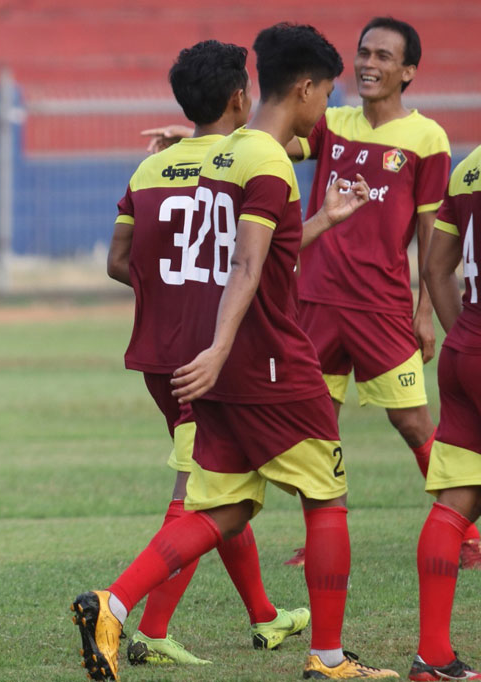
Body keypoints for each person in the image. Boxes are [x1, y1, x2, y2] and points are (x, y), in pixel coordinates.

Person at [72, 23, 397, 681]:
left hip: (192, 358)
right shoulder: (262, 159)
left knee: (221, 506)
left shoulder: (194, 160)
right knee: (326, 499)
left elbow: (173, 257)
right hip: (264, 356)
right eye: (325, 93)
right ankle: (330, 659)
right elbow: (245, 266)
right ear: (296, 88)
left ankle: (117, 603)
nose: (325, 110)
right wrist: (221, 345)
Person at [105, 39, 308, 667]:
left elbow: (118, 261)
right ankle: (149, 626)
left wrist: (166, 285)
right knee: (200, 493)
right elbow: (252, 256)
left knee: (223, 482)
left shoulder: (148, 169)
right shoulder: (246, 162)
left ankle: (266, 616)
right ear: (240, 97)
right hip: (215, 355)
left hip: (157, 355)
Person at [285, 16, 480, 568]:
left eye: (383, 56)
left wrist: (424, 311)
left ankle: (463, 533)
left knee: (414, 420)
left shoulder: (427, 137)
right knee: (316, 421)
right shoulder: (332, 122)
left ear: (408, 71)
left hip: (382, 308)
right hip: (316, 303)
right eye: (363, 53)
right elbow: (271, 140)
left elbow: (430, 235)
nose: (368, 64)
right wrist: (204, 139)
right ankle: (319, 535)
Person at [409, 146, 481, 681]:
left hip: (464, 352)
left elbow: (436, 267)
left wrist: (464, 340)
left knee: (456, 506)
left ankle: (432, 657)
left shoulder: (469, 165)